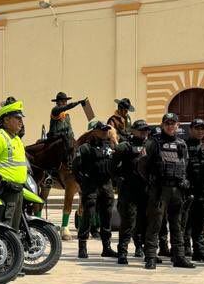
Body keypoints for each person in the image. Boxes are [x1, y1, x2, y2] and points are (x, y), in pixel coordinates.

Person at [141, 112, 193, 270]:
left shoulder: (181, 144)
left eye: (173, 123)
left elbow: (185, 165)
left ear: (178, 126)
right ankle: (150, 256)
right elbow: (141, 165)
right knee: (155, 223)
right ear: (163, 125)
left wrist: (184, 181)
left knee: (177, 225)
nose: (171, 126)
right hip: (159, 190)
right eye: (167, 123)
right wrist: (150, 180)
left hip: (177, 190)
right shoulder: (153, 142)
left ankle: (179, 257)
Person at [72, 119, 116, 260]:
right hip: (91, 186)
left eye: (106, 130)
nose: (105, 132)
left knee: (107, 216)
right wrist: (83, 183)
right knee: (88, 216)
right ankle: (82, 247)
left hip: (106, 186)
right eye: (102, 130)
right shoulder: (85, 148)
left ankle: (107, 247)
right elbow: (76, 168)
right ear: (95, 131)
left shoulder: (110, 146)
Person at [0, 99, 28, 230]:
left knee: (14, 227)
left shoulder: (16, 139)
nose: (21, 121)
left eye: (21, 118)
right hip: (6, 190)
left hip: (18, 189)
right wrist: (1, 180)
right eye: (17, 118)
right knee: (5, 226)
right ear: (6, 120)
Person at [111, 119, 149, 266]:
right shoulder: (124, 147)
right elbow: (112, 168)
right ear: (133, 131)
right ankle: (122, 252)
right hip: (129, 190)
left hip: (145, 190)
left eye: (146, 130)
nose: (144, 132)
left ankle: (144, 249)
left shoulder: (150, 145)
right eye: (141, 130)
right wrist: (120, 180)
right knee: (128, 222)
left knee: (145, 222)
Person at [47, 92, 85, 231]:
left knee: (75, 147)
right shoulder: (55, 111)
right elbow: (64, 111)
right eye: (61, 101)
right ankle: (51, 171)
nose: (63, 103)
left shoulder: (67, 116)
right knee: (61, 148)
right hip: (56, 138)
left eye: (64, 101)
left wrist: (74, 140)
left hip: (67, 140)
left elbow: (70, 130)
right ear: (57, 102)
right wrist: (78, 103)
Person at [181, 118, 204, 261]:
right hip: (187, 189)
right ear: (191, 129)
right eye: (197, 128)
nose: (200, 131)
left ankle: (199, 249)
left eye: (202, 129)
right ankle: (185, 247)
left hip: (203, 189)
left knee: (201, 220)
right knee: (186, 221)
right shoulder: (183, 146)